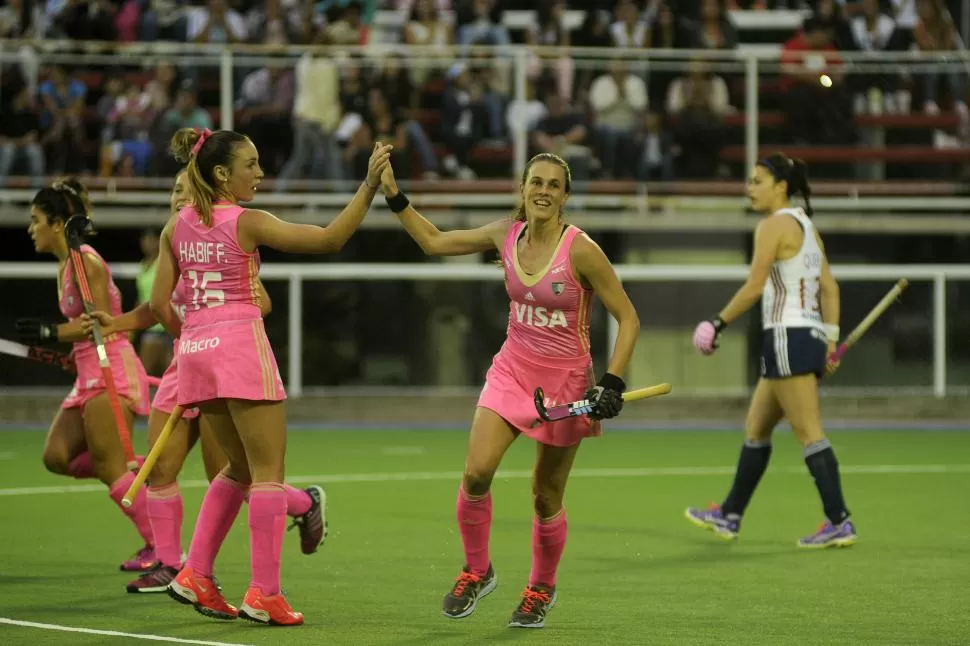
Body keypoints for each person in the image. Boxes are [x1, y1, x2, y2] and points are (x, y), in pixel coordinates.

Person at [379, 152, 641, 629]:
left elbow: (628, 318)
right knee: (476, 472)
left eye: (553, 185)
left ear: (565, 196)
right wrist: (394, 196)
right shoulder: (506, 233)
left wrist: (612, 382)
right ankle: (477, 570)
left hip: (566, 384)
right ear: (523, 189)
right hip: (512, 370)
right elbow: (434, 242)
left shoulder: (581, 250)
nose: (543, 191)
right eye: (535, 182)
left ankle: (541, 587)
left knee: (545, 495)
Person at [151, 127, 391, 625]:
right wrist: (368, 186)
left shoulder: (175, 227)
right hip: (238, 344)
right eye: (251, 165)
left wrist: (194, 335)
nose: (260, 173)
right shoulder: (247, 221)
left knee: (235, 470)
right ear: (222, 174)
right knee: (266, 475)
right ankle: (264, 593)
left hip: (194, 349)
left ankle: (196, 572)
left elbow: (159, 304)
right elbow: (330, 238)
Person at [84, 170, 328, 594]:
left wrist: (203, 335)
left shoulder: (219, 239)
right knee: (160, 466)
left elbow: (261, 301)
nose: (178, 196)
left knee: (232, 473)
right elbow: (155, 307)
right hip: (188, 362)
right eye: (173, 189)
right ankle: (169, 563)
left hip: (212, 359)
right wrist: (119, 323)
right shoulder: (176, 237)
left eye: (184, 189)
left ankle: (303, 505)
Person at [685, 153, 856, 549]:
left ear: (781, 186)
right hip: (806, 336)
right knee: (757, 428)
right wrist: (830, 341)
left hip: (787, 336)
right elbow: (830, 288)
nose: (750, 188)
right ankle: (729, 515)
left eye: (758, 180)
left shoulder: (773, 226)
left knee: (808, 432)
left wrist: (717, 322)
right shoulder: (807, 226)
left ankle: (839, 520)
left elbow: (754, 286)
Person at [15, 178, 156, 572]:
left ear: (58, 224)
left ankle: (163, 549)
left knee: (109, 466)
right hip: (87, 370)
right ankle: (135, 469)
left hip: (110, 366)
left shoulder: (85, 261)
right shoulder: (64, 266)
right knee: (56, 456)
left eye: (35, 220)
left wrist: (49, 333)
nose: (31, 229)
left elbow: (96, 324)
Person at [135, 226, 173, 376]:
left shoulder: (164, 263)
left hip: (165, 326)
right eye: (145, 240)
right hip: (150, 325)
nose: (147, 243)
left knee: (146, 374)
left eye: (151, 240)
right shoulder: (143, 265)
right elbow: (141, 298)